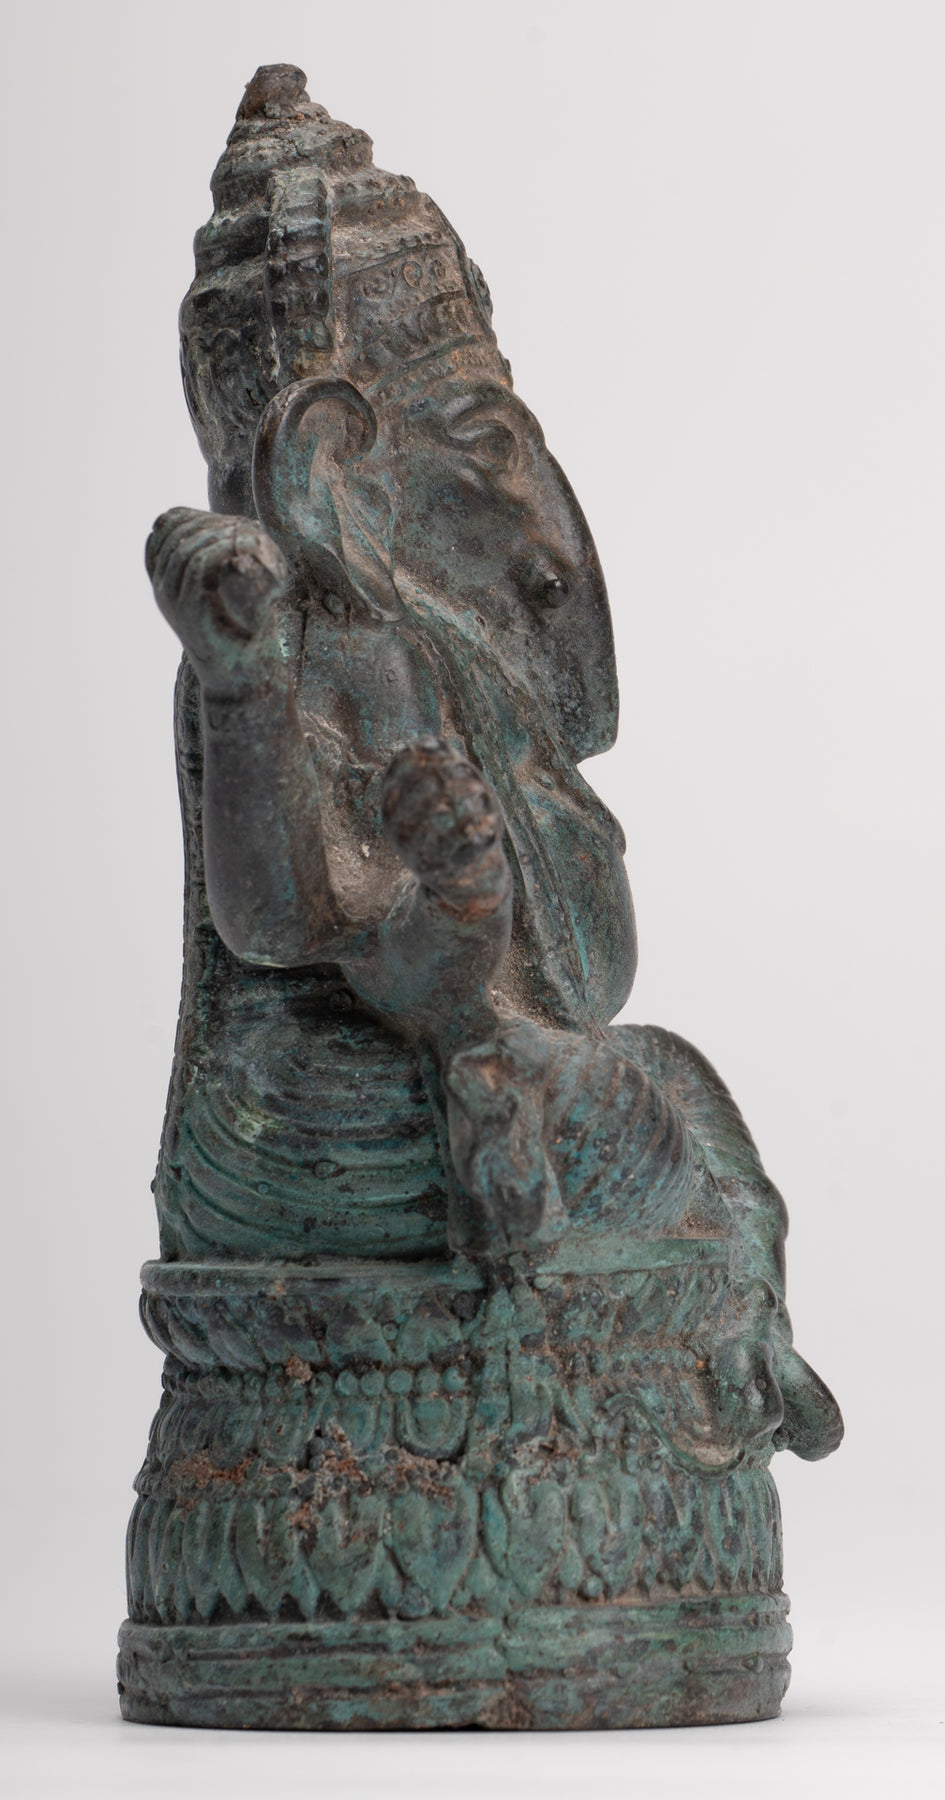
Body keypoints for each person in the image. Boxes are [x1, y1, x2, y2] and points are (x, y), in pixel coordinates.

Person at [148, 65, 839, 1457]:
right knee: (611, 1103)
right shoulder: (281, 651)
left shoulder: (435, 656)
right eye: (480, 440)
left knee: (668, 1080)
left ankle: (746, 1327)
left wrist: (470, 941)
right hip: (314, 1104)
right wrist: (242, 681)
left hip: (470, 1040)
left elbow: (582, 972)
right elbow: (277, 918)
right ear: (334, 466)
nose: (532, 510)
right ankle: (513, 1171)